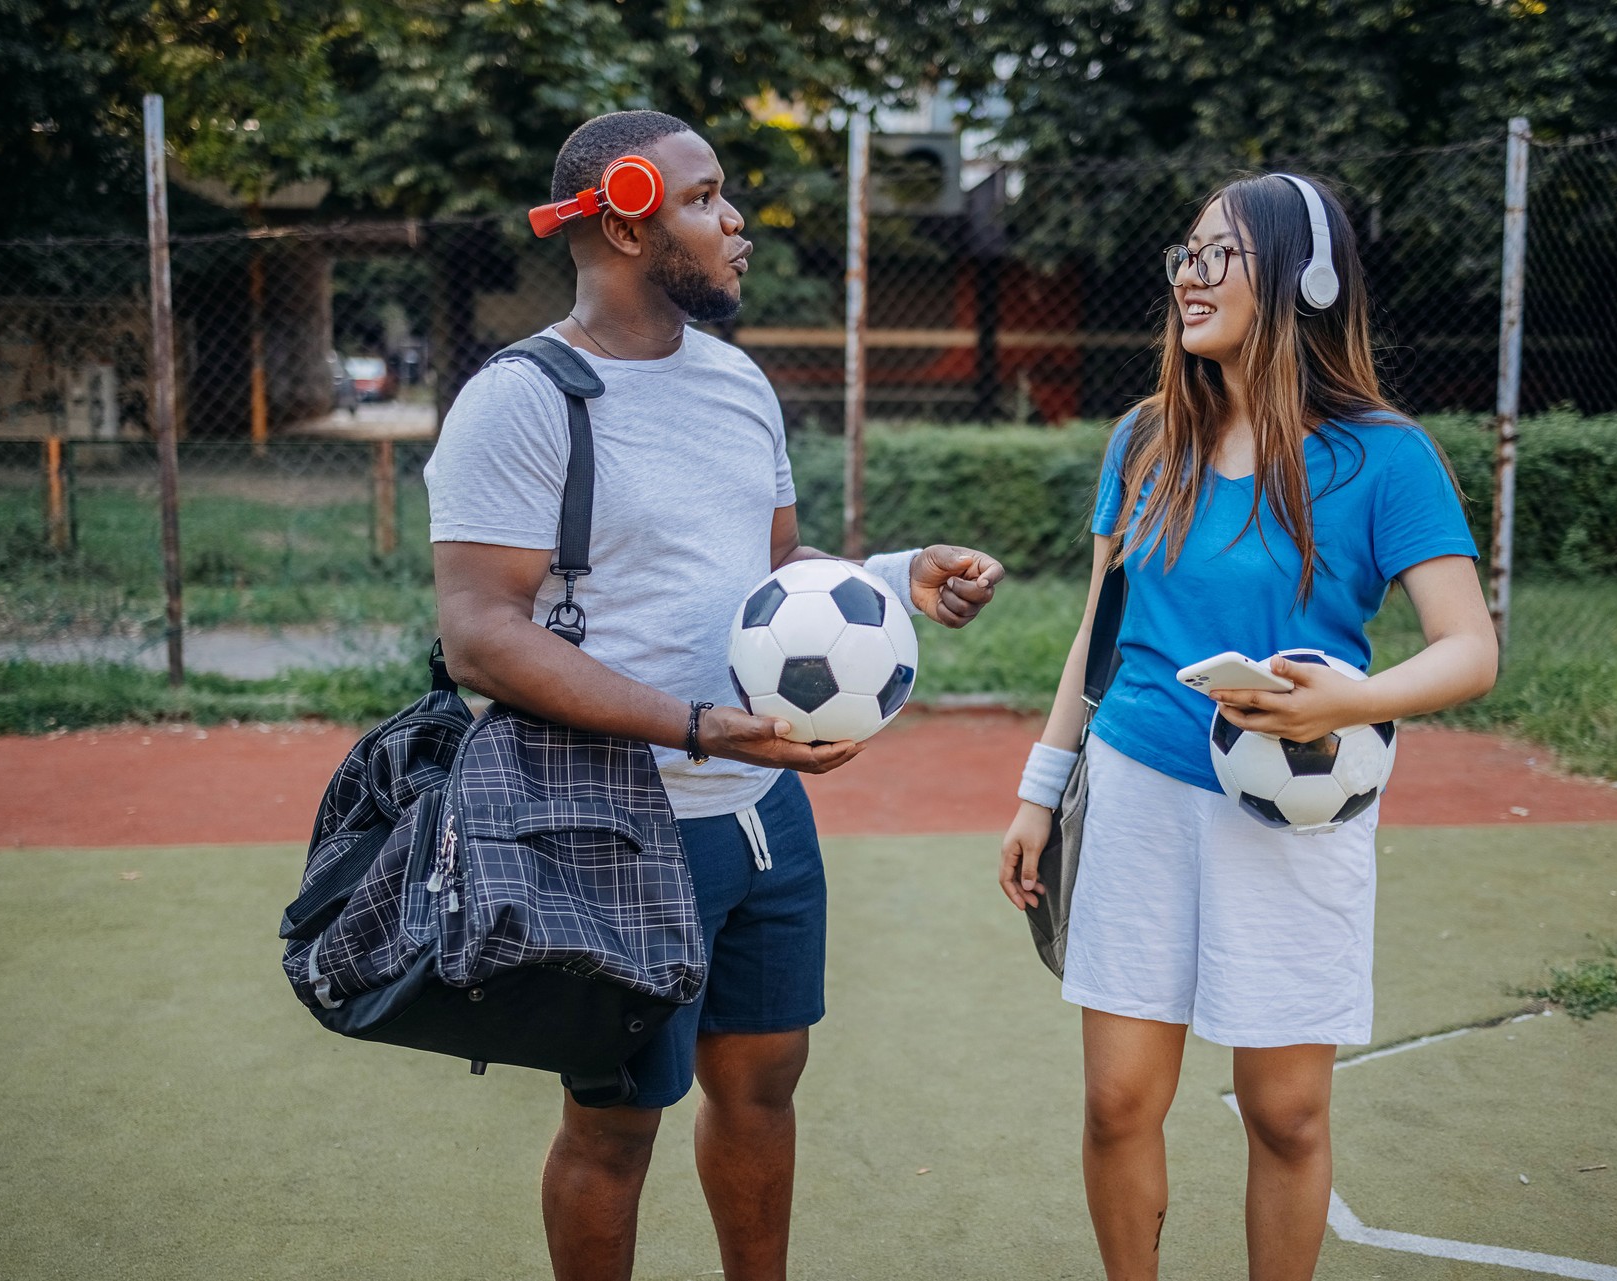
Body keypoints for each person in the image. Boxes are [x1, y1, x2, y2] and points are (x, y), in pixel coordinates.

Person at [424, 110, 1005, 1281]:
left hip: (763, 810)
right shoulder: (523, 398)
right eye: (705, 198)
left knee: (763, 1082)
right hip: (620, 823)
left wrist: (894, 579)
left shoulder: (738, 383)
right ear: (629, 221)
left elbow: (773, 582)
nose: (735, 220)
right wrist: (689, 723)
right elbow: (480, 636)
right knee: (615, 1121)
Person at [997, 173, 1497, 1280]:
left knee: (1286, 1116)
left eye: (1219, 254)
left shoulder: (1383, 457)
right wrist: (1041, 789)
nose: (1191, 274)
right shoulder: (1143, 440)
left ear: (1304, 280)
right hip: (1132, 790)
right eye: (1185, 252)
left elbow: (1470, 648)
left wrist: (1349, 701)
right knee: (1118, 1101)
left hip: (1293, 816)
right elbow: (1101, 630)